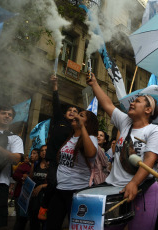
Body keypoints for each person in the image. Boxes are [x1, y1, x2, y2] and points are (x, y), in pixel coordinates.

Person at [87, 75, 158, 230]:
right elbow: (107, 104)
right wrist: (94, 84)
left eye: (138, 101)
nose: (132, 102)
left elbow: (149, 161)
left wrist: (134, 183)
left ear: (148, 109)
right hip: (114, 189)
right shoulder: (125, 122)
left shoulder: (155, 130)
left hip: (144, 189)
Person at [46, 110, 99, 230]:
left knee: (75, 226)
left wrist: (82, 128)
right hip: (60, 189)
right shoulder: (70, 138)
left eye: (81, 116)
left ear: (88, 123)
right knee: (51, 225)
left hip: (77, 191)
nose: (76, 116)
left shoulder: (91, 138)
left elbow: (91, 153)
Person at [39, 75, 80, 220]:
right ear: (64, 113)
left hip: (67, 162)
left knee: (63, 187)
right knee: (53, 183)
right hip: (54, 161)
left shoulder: (76, 129)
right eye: (69, 110)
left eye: (75, 111)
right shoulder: (58, 120)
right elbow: (56, 103)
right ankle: (44, 207)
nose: (72, 112)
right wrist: (55, 85)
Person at [12, 150, 39, 230]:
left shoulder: (40, 166)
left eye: (34, 154)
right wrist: (23, 177)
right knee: (21, 219)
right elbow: (15, 175)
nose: (31, 155)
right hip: (21, 195)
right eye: (31, 153)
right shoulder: (25, 165)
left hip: (34, 197)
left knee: (34, 220)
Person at [29, 145, 48, 230]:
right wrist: (32, 164)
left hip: (45, 198)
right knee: (33, 220)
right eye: (42, 150)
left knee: (44, 221)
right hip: (35, 197)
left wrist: (41, 186)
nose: (44, 152)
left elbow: (54, 183)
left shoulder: (52, 165)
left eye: (46, 150)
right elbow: (30, 179)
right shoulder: (36, 164)